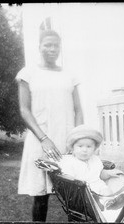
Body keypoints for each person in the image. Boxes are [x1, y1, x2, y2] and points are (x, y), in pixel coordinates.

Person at [16, 29, 84, 222]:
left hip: (67, 140)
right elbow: (24, 110)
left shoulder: (70, 75)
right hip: (41, 140)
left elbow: (79, 110)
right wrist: (44, 139)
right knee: (41, 196)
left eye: (56, 45)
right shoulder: (27, 73)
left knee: (74, 193)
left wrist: (77, 139)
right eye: (47, 45)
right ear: (39, 47)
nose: (52, 49)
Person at [57, 125, 122, 196]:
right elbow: (68, 178)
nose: (84, 150)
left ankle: (110, 202)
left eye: (89, 147)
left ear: (94, 148)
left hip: (98, 186)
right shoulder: (69, 161)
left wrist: (108, 173)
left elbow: (99, 175)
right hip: (80, 191)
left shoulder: (95, 160)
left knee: (108, 192)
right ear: (73, 147)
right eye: (80, 146)